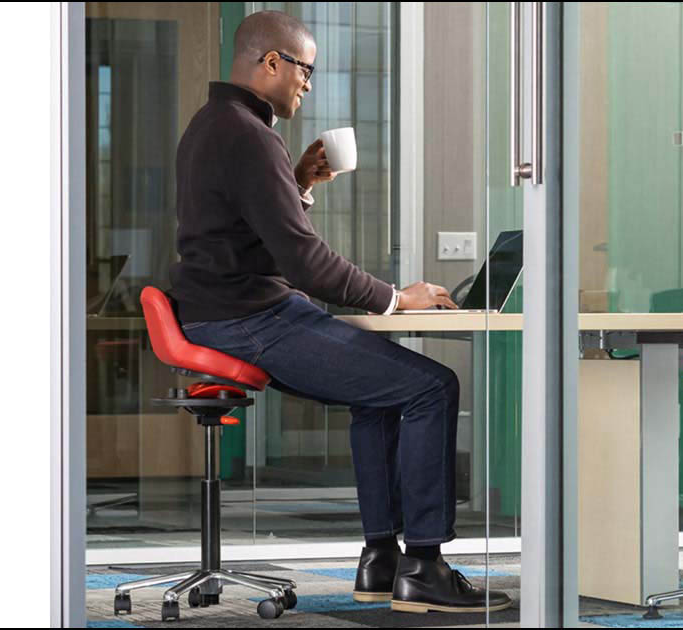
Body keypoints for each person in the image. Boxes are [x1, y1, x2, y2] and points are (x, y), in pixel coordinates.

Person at [167, 9, 512, 615]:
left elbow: (247, 233)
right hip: (251, 321)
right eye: (304, 69)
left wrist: (296, 183)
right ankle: (424, 567)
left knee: (380, 393)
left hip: (227, 312)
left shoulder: (213, 125)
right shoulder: (249, 136)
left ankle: (382, 561)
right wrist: (397, 298)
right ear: (271, 62)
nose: (308, 83)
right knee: (433, 387)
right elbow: (304, 262)